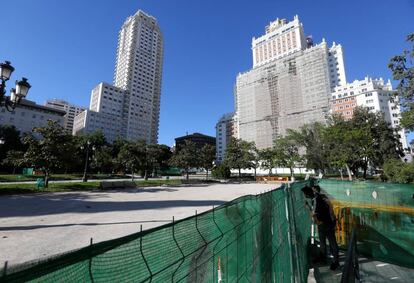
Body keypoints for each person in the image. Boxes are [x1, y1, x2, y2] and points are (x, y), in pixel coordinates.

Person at [311, 185, 340, 270]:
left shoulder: (320, 199)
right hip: (325, 224)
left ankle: (334, 261)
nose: (313, 193)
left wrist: (332, 219)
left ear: (316, 191)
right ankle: (327, 259)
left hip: (326, 224)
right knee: (325, 242)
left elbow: (329, 209)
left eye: (313, 191)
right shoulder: (319, 199)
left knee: (330, 242)